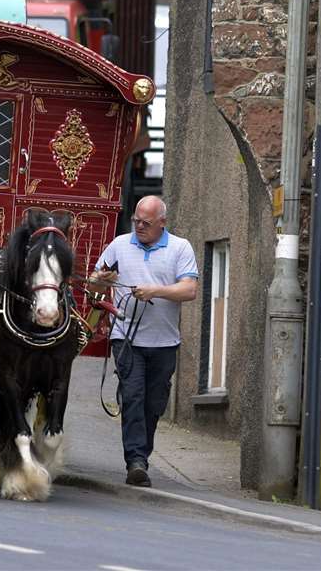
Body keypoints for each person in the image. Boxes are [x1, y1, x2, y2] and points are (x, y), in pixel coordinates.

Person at [90, 195, 199, 488]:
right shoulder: (119, 245)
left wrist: (156, 291)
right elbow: (94, 284)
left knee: (154, 404)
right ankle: (136, 461)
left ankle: (141, 453)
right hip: (126, 338)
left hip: (164, 342)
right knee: (134, 397)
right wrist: (102, 279)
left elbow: (189, 290)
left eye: (146, 223)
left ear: (162, 222)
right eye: (136, 221)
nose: (138, 226)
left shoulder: (180, 248)